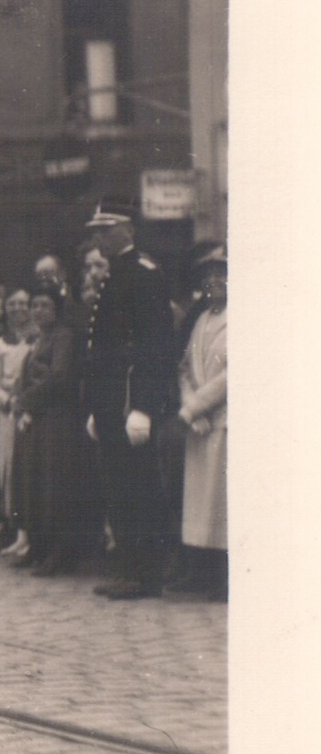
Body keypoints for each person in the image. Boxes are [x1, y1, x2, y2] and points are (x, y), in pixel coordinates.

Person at [81, 198, 176, 600]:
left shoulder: (144, 274)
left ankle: (147, 575)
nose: (98, 236)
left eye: (107, 228)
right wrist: (95, 406)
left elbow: (156, 347)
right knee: (118, 486)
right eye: (96, 230)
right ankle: (129, 569)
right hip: (110, 399)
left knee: (139, 487)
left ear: (129, 230)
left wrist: (144, 406)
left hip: (129, 398)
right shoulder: (116, 275)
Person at [14, 282, 96, 576]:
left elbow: (59, 376)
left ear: (57, 308)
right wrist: (23, 403)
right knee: (33, 483)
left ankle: (60, 552)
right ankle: (38, 547)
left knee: (54, 486)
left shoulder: (64, 336)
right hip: (38, 417)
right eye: (34, 304)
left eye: (44, 305)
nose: (38, 310)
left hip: (58, 419)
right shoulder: (40, 337)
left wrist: (26, 400)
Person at [172, 242, 227, 599]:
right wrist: (190, 407)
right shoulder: (201, 321)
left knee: (221, 502)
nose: (213, 281)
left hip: (224, 420)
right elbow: (185, 369)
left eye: (220, 274)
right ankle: (200, 573)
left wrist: (198, 408)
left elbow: (229, 377)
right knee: (198, 503)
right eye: (208, 276)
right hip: (200, 424)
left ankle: (224, 578)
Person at [0, 286, 38, 556]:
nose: (18, 308)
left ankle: (31, 532)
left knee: (27, 470)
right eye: (12, 304)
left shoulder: (37, 339)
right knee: (7, 470)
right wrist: (8, 402)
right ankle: (16, 530)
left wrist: (24, 401)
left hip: (30, 410)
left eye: (23, 303)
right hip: (8, 413)